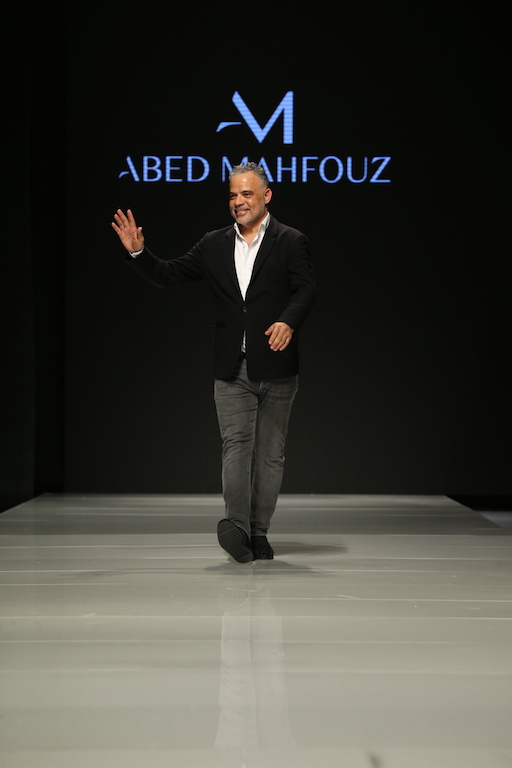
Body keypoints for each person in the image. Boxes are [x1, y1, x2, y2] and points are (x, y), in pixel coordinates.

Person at [111, 162, 315, 563]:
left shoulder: (291, 240)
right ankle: (237, 528)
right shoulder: (213, 243)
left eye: (247, 194)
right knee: (235, 447)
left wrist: (288, 322)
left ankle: (259, 532)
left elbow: (305, 289)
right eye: (233, 195)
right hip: (231, 367)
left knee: (270, 455)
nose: (238, 201)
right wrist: (138, 251)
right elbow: (168, 274)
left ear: (266, 196)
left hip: (277, 366)